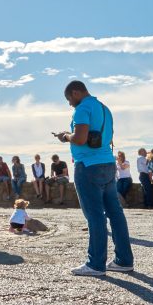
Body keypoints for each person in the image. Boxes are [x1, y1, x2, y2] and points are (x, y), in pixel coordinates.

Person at [54, 81, 133, 276]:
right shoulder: (104, 108)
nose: (70, 104)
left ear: (76, 92)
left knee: (95, 215)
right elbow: (109, 136)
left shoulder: (83, 108)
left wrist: (65, 136)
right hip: (107, 164)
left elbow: (80, 139)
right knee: (115, 213)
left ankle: (96, 264)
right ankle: (124, 260)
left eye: (69, 99)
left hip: (88, 166)